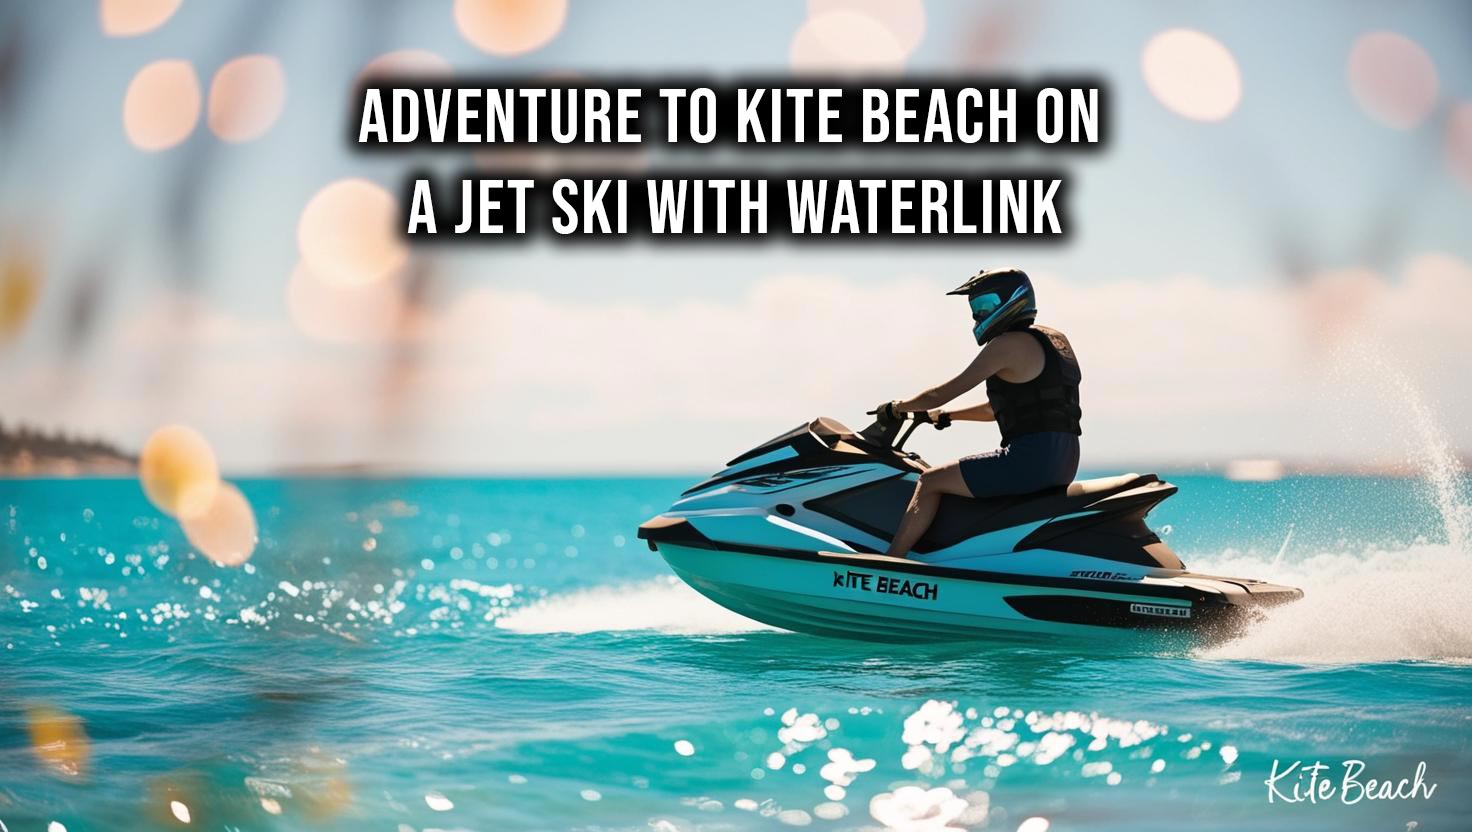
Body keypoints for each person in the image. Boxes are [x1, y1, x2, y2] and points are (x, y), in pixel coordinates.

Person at [877, 267, 1082, 558]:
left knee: (930, 481)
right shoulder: (1054, 340)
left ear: (1012, 300)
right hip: (1064, 459)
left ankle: (892, 559)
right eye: (974, 308)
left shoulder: (1006, 345)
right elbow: (995, 410)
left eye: (983, 306)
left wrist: (897, 407)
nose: (976, 316)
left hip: (1030, 460)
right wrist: (947, 415)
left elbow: (942, 392)